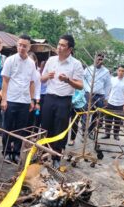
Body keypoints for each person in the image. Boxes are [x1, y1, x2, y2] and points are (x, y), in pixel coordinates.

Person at [41, 34, 84, 168]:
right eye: (59, 44)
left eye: (63, 45)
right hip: (49, 98)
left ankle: (56, 156)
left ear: (70, 49)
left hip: (64, 100)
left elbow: (81, 85)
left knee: (60, 129)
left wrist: (68, 80)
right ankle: (43, 154)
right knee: (45, 126)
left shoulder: (76, 64)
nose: (59, 47)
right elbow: (42, 79)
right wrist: (47, 76)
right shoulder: (51, 60)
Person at [0, 34, 36, 163]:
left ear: (29, 47)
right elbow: (5, 81)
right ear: (17, 45)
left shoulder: (32, 63)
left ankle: (15, 152)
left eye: (24, 46)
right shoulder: (10, 60)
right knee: (7, 127)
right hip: (11, 100)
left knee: (21, 129)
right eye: (20, 45)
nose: (21, 48)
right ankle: (6, 152)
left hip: (24, 101)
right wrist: (4, 99)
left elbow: (32, 83)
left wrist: (32, 100)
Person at [83, 53, 111, 139]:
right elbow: (83, 80)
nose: (100, 61)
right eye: (98, 59)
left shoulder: (106, 72)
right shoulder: (88, 69)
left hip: (99, 96)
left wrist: (106, 98)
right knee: (85, 113)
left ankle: (90, 131)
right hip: (89, 94)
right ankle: (84, 131)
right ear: (94, 59)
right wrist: (87, 91)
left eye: (102, 59)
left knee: (96, 115)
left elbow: (107, 85)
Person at [102, 65, 124, 140]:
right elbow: (108, 90)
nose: (120, 72)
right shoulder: (112, 79)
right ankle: (107, 133)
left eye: (122, 71)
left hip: (120, 103)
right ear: (117, 71)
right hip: (110, 102)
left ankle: (116, 135)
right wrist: (105, 100)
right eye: (119, 70)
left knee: (117, 120)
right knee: (108, 119)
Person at [26, 52, 41, 129]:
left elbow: (38, 88)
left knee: (30, 120)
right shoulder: (22, 71)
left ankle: (27, 139)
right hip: (22, 98)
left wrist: (37, 102)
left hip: (32, 99)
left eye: (31, 60)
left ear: (35, 61)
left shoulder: (37, 73)